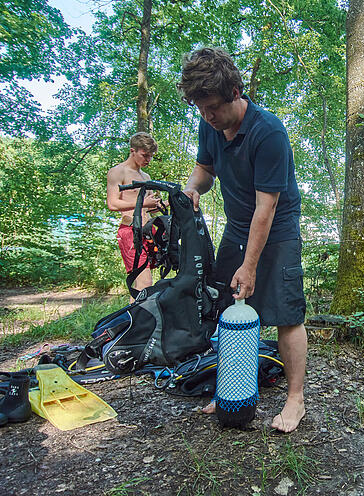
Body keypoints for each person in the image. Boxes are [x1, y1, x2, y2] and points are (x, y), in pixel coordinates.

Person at [176, 47, 307, 433]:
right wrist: (192, 189)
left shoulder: (269, 132)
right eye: (200, 109)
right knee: (224, 309)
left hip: (277, 229)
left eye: (213, 106)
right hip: (236, 228)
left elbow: (265, 210)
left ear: (235, 92)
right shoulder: (210, 123)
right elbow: (204, 170)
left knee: (285, 315)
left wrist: (249, 267)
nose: (207, 115)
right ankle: (231, 387)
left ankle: (295, 400)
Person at [106, 132, 163, 302]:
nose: (148, 160)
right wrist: (143, 204)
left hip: (147, 231)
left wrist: (170, 202)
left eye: (151, 156)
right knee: (144, 282)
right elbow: (113, 204)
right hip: (130, 231)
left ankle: (135, 323)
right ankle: (137, 323)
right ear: (133, 150)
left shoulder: (146, 177)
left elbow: (152, 209)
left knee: (142, 284)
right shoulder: (118, 172)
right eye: (145, 155)